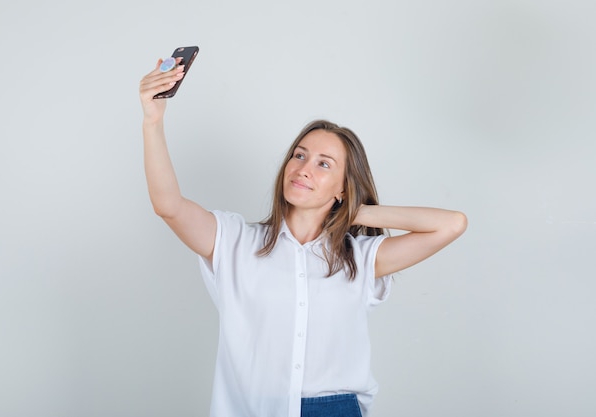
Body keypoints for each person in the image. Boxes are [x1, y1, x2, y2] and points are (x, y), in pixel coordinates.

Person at [139, 57, 467, 417]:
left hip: (335, 408)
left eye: (324, 164)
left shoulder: (359, 258)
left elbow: (452, 223)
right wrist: (154, 120)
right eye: (299, 155)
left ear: (343, 186)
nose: (304, 169)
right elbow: (168, 206)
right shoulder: (235, 241)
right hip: (255, 408)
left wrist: (355, 211)